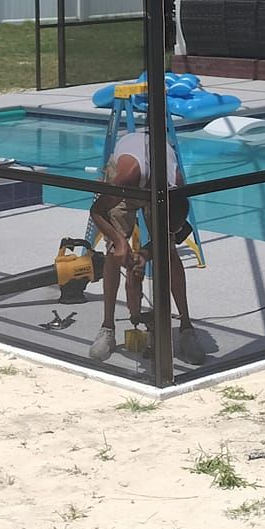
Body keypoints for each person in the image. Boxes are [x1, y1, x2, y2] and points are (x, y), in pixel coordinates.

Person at [88, 124, 205, 367]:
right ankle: (107, 327)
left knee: (170, 253)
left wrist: (144, 254)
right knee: (113, 253)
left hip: (157, 186)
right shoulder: (128, 175)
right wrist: (120, 242)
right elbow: (97, 211)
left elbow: (167, 237)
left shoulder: (176, 185)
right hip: (130, 175)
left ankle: (186, 328)